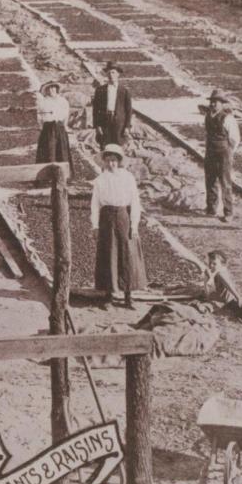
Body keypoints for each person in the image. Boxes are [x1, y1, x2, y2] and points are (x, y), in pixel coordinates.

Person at [91, 143, 148, 310]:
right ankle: (108, 296)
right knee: (108, 254)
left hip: (124, 216)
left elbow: (135, 202)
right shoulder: (101, 180)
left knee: (127, 254)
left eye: (114, 160)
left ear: (119, 161)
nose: (111, 164)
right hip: (106, 218)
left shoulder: (127, 178)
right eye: (108, 160)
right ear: (104, 162)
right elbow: (95, 204)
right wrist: (94, 226)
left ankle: (128, 296)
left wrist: (134, 225)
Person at [202, 89, 240, 222]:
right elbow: (207, 135)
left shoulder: (228, 118)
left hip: (224, 153)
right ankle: (211, 209)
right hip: (210, 152)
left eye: (216, 102)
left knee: (225, 183)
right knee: (210, 180)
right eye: (212, 102)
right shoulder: (207, 116)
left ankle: (228, 212)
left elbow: (235, 139)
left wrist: (229, 152)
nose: (213, 104)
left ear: (222, 104)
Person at [202, 250, 242, 323]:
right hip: (225, 299)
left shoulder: (221, 273)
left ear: (222, 264)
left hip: (227, 300)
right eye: (210, 263)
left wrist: (238, 297)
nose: (211, 265)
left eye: (214, 264)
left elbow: (229, 285)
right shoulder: (218, 271)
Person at [35, 81, 73, 177]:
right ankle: (47, 176)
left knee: (62, 151)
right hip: (48, 128)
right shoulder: (43, 102)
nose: (52, 90)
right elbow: (39, 116)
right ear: (47, 90)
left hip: (59, 127)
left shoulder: (63, 101)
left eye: (53, 88)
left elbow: (66, 115)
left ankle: (64, 175)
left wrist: (64, 126)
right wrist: (42, 127)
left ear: (57, 89)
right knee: (49, 150)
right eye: (49, 88)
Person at [91, 61, 133, 149]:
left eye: (113, 72)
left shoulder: (124, 91)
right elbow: (95, 109)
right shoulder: (100, 90)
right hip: (104, 121)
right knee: (105, 146)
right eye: (109, 72)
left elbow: (129, 110)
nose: (111, 75)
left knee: (118, 146)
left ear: (118, 74)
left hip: (119, 123)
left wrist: (127, 127)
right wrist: (97, 125)